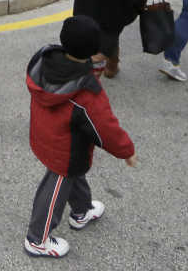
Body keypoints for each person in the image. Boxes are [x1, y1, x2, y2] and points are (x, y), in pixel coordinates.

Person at [23, 15, 138, 258]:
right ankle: (37, 239)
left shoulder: (44, 60)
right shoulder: (86, 92)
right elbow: (104, 129)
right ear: (93, 49)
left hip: (44, 134)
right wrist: (126, 150)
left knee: (76, 172)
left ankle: (82, 210)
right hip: (64, 147)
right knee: (55, 187)